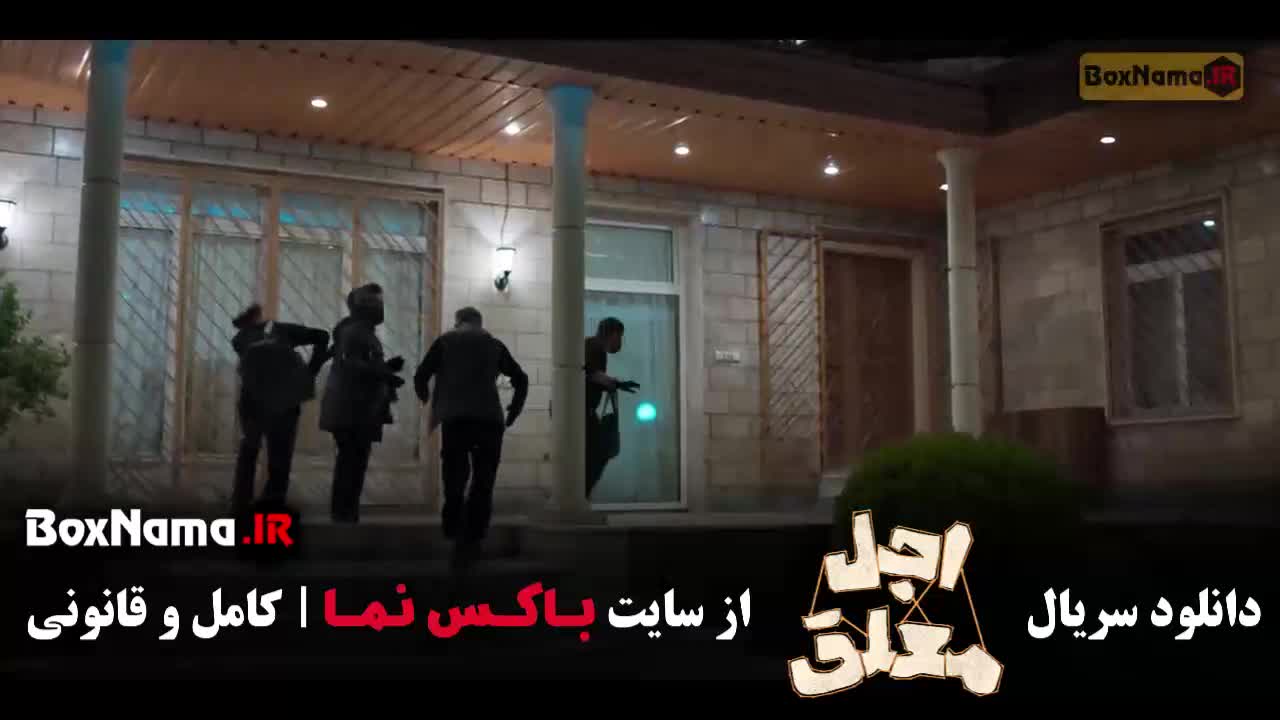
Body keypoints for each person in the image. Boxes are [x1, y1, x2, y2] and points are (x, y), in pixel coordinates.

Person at [414, 307, 528, 568]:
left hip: (456, 419)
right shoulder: (494, 345)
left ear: (458, 322)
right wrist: (514, 410)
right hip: (489, 420)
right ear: (479, 323)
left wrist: (425, 398)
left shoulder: (445, 342)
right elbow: (521, 379)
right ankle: (473, 538)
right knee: (483, 481)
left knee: (454, 476)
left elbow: (421, 375)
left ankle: (453, 528)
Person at [230, 304, 331, 516]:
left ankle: (241, 503)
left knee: (249, 451)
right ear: (259, 317)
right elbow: (322, 336)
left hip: (254, 401)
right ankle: (272, 504)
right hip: (285, 402)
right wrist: (310, 371)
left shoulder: (239, 340)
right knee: (280, 457)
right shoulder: (280, 330)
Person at [319, 283, 406, 524]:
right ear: (364, 307)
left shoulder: (359, 332)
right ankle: (344, 515)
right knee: (351, 463)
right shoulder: (355, 332)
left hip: (357, 409)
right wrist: (385, 374)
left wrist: (386, 369)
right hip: (353, 409)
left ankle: (346, 513)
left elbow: (359, 364)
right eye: (376, 303)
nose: (381, 308)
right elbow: (351, 366)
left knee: (353, 463)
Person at [584, 317, 638, 498]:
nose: (620, 341)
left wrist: (614, 384)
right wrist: (616, 383)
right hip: (580, 414)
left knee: (597, 453)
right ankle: (581, 493)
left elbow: (593, 378)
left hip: (585, 412)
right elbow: (590, 373)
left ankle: (582, 493)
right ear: (613, 334)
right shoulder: (593, 347)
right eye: (620, 336)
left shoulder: (595, 348)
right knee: (600, 452)